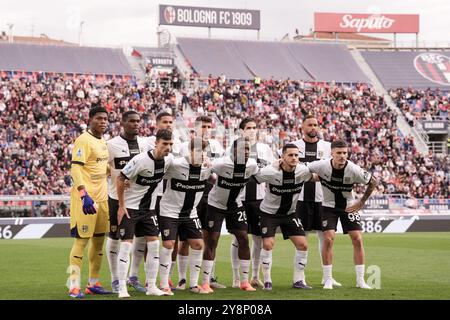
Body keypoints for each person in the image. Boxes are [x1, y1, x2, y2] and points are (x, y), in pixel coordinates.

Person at [307, 140, 377, 290]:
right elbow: (304, 169)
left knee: (357, 239)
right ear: (331, 153)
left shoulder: (354, 169)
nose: (342, 156)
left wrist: (361, 202)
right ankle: (327, 279)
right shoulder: (321, 165)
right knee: (328, 238)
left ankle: (360, 280)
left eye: (345, 153)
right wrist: (313, 177)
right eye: (338, 153)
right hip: (328, 206)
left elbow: (373, 181)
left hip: (349, 206)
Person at [115, 129, 174, 298]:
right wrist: (121, 206)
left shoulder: (169, 160)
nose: (168, 147)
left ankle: (152, 287)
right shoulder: (140, 160)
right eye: (164, 144)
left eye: (170, 144)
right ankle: (121, 288)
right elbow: (120, 179)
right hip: (131, 208)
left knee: (154, 246)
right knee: (126, 246)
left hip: (149, 210)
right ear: (156, 143)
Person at [201, 137, 259, 293]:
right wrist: (206, 165)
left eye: (248, 149)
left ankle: (245, 282)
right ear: (234, 151)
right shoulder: (222, 163)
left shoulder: (252, 165)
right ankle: (205, 282)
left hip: (235, 205)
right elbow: (207, 171)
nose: (246, 152)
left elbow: (261, 175)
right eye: (242, 149)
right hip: (216, 205)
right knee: (212, 240)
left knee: (244, 238)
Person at [290, 114, 341, 287]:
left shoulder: (327, 147)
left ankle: (327, 275)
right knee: (301, 239)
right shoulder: (294, 146)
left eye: (316, 125)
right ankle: (299, 277)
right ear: (302, 127)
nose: (313, 127)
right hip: (301, 199)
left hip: (323, 199)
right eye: (310, 124)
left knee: (326, 238)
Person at [255, 143, 315, 290]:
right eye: (290, 155)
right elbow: (254, 176)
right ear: (282, 157)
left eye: (296, 155)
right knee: (268, 244)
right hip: (269, 214)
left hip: (290, 214)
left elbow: (317, 176)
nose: (294, 158)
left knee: (303, 244)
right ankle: (267, 280)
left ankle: (298, 280)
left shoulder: (303, 171)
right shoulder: (270, 171)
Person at [105, 110, 153, 294]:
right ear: (123, 123)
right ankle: (115, 279)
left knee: (140, 238)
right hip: (117, 199)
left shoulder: (145, 144)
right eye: (132, 121)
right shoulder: (110, 145)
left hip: (140, 200)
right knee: (116, 238)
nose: (136, 124)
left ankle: (133, 276)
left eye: (138, 121)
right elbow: (103, 169)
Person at [158, 138, 212, 294]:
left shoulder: (207, 168)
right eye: (198, 151)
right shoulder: (175, 164)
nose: (202, 154)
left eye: (204, 152)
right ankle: (164, 284)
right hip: (169, 211)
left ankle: (194, 284)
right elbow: (156, 171)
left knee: (198, 244)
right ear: (191, 151)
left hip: (190, 213)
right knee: (169, 245)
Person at [67, 105, 111, 298]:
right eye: (99, 118)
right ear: (90, 119)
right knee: (81, 241)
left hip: (102, 199)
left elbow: (100, 167)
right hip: (86, 199)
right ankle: (74, 284)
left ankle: (93, 283)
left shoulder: (103, 141)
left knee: (99, 242)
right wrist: (84, 194)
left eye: (105, 119)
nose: (103, 122)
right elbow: (75, 169)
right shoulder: (83, 140)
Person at [177, 115, 225, 290]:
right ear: (194, 128)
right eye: (202, 126)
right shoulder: (184, 146)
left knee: (210, 237)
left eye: (208, 126)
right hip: (190, 194)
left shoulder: (217, 146)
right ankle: (182, 279)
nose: (205, 129)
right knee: (185, 239)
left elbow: (222, 168)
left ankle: (208, 277)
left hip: (212, 195)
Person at [230, 118, 276, 288]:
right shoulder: (233, 148)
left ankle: (255, 276)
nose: (252, 130)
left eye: (254, 127)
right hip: (238, 199)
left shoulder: (265, 149)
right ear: (241, 131)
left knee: (258, 239)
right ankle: (236, 278)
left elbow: (272, 172)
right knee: (238, 238)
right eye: (248, 127)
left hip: (259, 200)